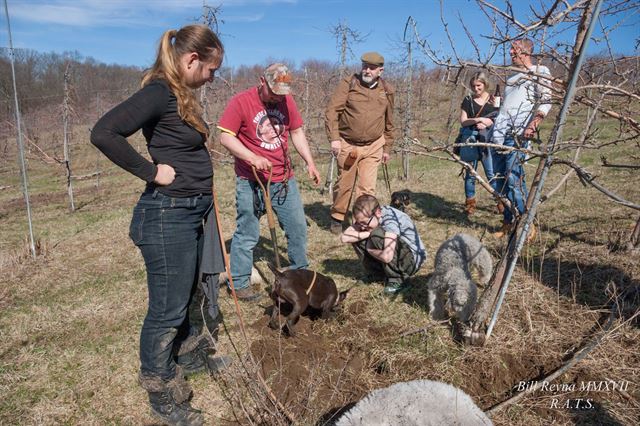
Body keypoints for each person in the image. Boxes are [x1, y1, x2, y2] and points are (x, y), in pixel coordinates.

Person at [91, 25, 228, 426]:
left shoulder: (179, 95)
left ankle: (187, 356)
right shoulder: (158, 92)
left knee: (185, 296)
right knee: (166, 311)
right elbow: (103, 132)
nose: (212, 77)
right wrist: (150, 171)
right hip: (168, 215)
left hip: (189, 212)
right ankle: (162, 392)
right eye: (211, 69)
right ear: (191, 60)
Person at [217, 63, 321, 301]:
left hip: (283, 178)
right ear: (262, 81)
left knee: (297, 228)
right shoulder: (241, 102)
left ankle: (300, 276)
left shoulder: (286, 100)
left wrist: (310, 162)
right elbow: (225, 137)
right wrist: (252, 157)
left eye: (282, 93)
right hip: (250, 180)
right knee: (248, 232)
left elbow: (296, 132)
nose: (278, 98)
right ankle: (240, 284)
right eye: (273, 92)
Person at [325, 51, 396, 235]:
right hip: (348, 144)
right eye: (365, 66)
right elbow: (332, 111)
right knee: (345, 185)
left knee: (367, 187)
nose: (367, 70)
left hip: (374, 146)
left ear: (380, 70)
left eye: (372, 68)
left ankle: (362, 222)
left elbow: (390, 122)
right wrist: (334, 138)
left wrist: (387, 147)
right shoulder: (349, 83)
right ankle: (337, 216)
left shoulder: (387, 90)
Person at [491, 38, 552, 239]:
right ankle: (509, 221)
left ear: (525, 51)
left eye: (514, 49)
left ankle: (526, 225)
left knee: (514, 179)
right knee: (500, 181)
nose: (510, 52)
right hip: (499, 135)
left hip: (516, 134)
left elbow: (546, 101)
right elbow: (508, 106)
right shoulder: (511, 78)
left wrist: (533, 124)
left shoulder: (539, 71)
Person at [340, 194, 426, 294]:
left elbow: (387, 257)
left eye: (364, 223)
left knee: (376, 234)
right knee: (362, 235)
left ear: (378, 213)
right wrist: (367, 233)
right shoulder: (368, 218)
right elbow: (345, 237)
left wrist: (369, 248)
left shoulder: (390, 220)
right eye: (359, 223)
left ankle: (399, 279)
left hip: (411, 261)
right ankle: (377, 274)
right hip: (397, 253)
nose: (362, 227)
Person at [458, 72, 499, 216]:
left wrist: (490, 122)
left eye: (479, 85)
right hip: (470, 139)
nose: (476, 88)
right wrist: (479, 120)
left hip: (488, 140)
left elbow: (501, 118)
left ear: (485, 84)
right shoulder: (468, 100)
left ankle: (501, 202)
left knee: (491, 173)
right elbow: (463, 121)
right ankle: (470, 203)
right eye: (473, 86)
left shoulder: (494, 99)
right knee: (470, 174)